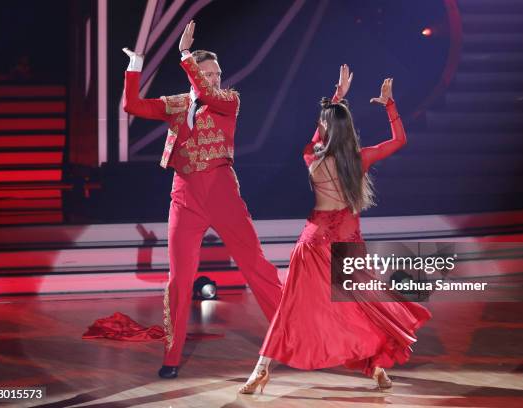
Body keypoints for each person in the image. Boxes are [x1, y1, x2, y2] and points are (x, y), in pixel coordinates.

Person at [239, 65, 431, 394]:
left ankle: (261, 369)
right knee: (367, 307)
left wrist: (337, 96)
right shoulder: (360, 159)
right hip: (345, 244)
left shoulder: (311, 158)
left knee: (292, 310)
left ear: (327, 130)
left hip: (313, 243)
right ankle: (378, 368)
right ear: (349, 129)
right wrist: (389, 105)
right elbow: (400, 140)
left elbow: (316, 135)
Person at [122, 20, 282, 379]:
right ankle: (171, 357)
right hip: (185, 196)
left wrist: (185, 54)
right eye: (206, 72)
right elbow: (131, 105)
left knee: (256, 266)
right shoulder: (177, 104)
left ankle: (290, 336)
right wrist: (135, 65)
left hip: (222, 192)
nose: (212, 78)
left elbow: (207, 95)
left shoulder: (228, 101)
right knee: (179, 279)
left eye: (216, 72)